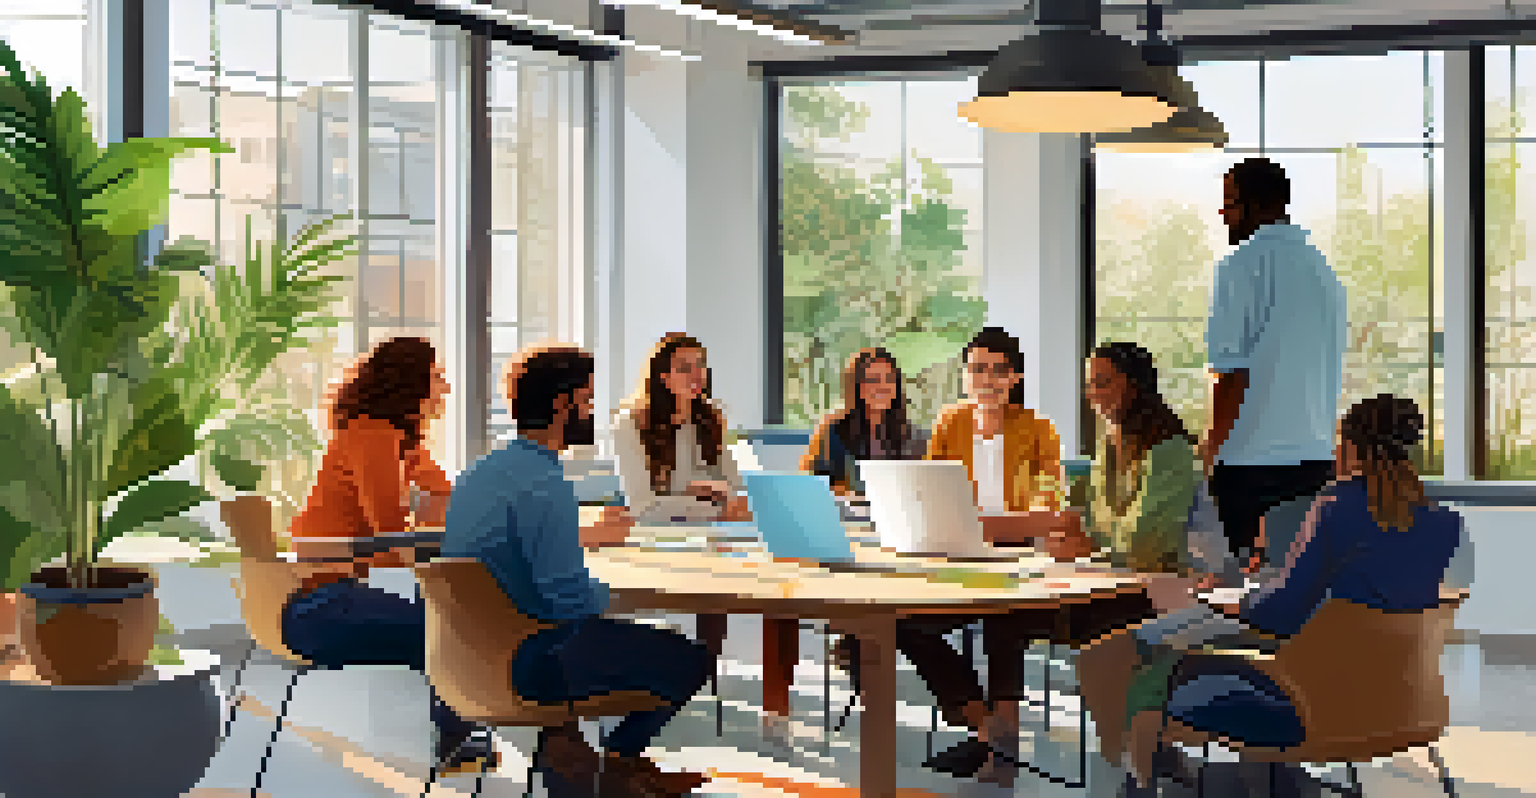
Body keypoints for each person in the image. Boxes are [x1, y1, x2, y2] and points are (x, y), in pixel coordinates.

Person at [1078, 395, 1474, 798]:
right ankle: (1257, 781)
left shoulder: (1334, 508)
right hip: (1399, 705)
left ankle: (1140, 782)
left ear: (1352, 448)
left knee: (1160, 659)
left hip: (1312, 707)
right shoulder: (1446, 523)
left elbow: (1280, 613)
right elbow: (1365, 601)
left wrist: (1233, 603)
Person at [439, 343, 716, 798]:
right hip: (528, 661)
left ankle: (596, 767)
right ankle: (618, 764)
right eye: (586, 401)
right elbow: (565, 597)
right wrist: (623, 596)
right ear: (560, 405)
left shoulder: (480, 472)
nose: (591, 412)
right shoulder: (545, 482)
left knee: (614, 638)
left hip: (465, 659)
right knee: (688, 658)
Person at [842, 327, 1075, 783]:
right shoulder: (951, 423)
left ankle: (1000, 756)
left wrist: (1005, 526)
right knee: (906, 624)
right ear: (965, 376)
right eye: (977, 369)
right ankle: (991, 730)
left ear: (1016, 377)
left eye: (998, 371)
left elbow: (1048, 504)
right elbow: (930, 491)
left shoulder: (1039, 429)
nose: (986, 379)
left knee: (1005, 619)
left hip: (1017, 558)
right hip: (955, 553)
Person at [281, 337, 487, 775]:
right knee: (449, 622)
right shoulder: (374, 434)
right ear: (410, 383)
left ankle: (463, 735)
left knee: (454, 615)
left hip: (341, 596)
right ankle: (458, 741)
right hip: (322, 606)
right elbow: (392, 541)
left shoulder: (401, 442)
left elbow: (450, 499)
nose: (446, 389)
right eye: (437, 378)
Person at [1203, 157, 1349, 573]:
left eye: (1229, 203)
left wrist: (1209, 451)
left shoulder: (1240, 266)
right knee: (1299, 586)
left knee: (1243, 593)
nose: (1223, 214)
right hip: (1316, 462)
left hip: (1251, 466)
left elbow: (1232, 372)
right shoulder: (1324, 272)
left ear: (1254, 205)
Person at [1079, 342, 1200, 575]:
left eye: (1103, 384)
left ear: (1134, 387)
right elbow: (1095, 524)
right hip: (1128, 575)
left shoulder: (1169, 448)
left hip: (1173, 585)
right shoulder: (1109, 444)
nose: (1093, 394)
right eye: (1089, 385)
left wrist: (1094, 544)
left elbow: (1144, 545)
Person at [612, 333, 749, 525]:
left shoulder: (710, 419)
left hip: (713, 534)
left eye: (700, 365)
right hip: (662, 537)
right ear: (664, 377)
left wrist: (721, 494)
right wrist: (715, 506)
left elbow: (738, 490)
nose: (697, 375)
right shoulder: (631, 423)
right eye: (685, 368)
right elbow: (642, 508)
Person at [800, 347, 925, 496]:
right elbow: (809, 486)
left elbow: (920, 489)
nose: (882, 387)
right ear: (857, 386)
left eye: (889, 380)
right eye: (873, 380)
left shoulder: (912, 436)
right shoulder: (830, 431)